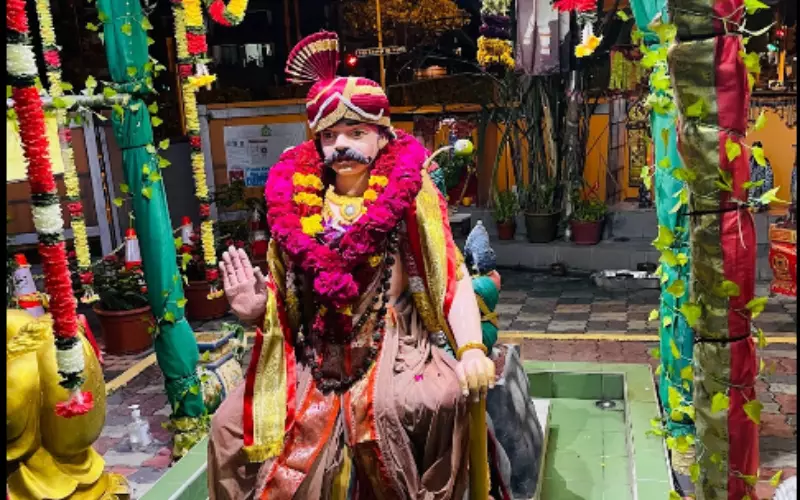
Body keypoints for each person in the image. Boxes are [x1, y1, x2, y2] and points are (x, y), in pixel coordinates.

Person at [207, 31, 542, 499]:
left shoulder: (411, 192)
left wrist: (468, 350)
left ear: (382, 133)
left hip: (392, 342)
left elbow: (450, 277)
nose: (341, 145)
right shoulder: (294, 198)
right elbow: (286, 301)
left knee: (429, 402)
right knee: (228, 426)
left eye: (355, 132)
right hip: (314, 352)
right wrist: (253, 308)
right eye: (330, 135)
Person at [748, 140, 774, 211]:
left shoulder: (765, 162)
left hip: (762, 196)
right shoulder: (748, 162)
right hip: (750, 198)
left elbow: (769, 180)